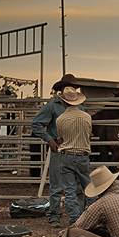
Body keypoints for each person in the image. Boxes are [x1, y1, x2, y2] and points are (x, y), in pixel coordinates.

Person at [32, 73, 78, 226]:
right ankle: (54, 215)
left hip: (75, 149)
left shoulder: (78, 105)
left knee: (75, 185)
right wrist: (50, 139)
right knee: (57, 184)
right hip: (60, 148)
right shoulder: (53, 105)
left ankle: (75, 216)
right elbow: (36, 124)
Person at [56, 86, 93, 224]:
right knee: (88, 187)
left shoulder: (60, 119)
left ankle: (74, 218)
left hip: (67, 155)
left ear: (64, 102)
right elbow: (88, 134)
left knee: (70, 189)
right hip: (83, 155)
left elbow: (60, 138)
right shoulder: (87, 117)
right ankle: (91, 214)